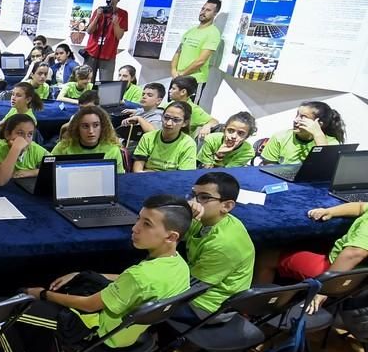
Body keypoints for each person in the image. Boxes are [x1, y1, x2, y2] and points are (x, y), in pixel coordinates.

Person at [0, 195, 192, 352]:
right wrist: (81, 273)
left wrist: (41, 294)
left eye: (147, 224)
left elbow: (89, 304)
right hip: (131, 332)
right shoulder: (179, 266)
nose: (135, 228)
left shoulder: (140, 276)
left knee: (3, 309)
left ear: (171, 236)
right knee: (84, 279)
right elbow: (129, 282)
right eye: (138, 219)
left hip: (96, 333)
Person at [268, 200, 368, 312]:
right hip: (358, 277)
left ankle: (255, 311)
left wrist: (325, 288)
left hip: (337, 271)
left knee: (267, 257)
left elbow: (355, 253)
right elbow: (361, 207)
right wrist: (331, 211)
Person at [182, 172, 255, 321]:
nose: (194, 203)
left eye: (204, 197)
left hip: (209, 307)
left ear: (227, 206)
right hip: (198, 285)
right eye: (193, 195)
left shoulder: (224, 244)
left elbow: (189, 287)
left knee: (141, 305)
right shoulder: (206, 218)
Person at [261, 101, 345, 164]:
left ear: (319, 123)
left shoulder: (331, 142)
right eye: (297, 115)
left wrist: (318, 134)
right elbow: (268, 165)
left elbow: (326, 167)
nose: (295, 120)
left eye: (303, 117)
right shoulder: (280, 137)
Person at [51, 105, 126, 173]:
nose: (91, 131)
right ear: (77, 128)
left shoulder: (113, 149)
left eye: (96, 125)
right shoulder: (63, 146)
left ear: (102, 127)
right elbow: (49, 171)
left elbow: (119, 179)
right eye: (85, 126)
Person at [170, 0, 222, 95]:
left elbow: (201, 61)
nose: (203, 12)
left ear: (215, 14)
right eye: (203, 9)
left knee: (188, 109)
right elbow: (178, 52)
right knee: (171, 107)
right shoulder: (191, 31)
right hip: (177, 78)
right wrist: (173, 70)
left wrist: (182, 74)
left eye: (208, 10)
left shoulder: (213, 33)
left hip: (194, 80)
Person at [132, 101, 197, 172]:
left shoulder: (188, 144)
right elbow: (137, 171)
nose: (168, 123)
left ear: (185, 123)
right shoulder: (148, 137)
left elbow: (183, 176)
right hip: (146, 179)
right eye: (166, 117)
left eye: (176, 120)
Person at [0, 114, 49, 187]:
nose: (25, 139)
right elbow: (0, 180)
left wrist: (31, 172)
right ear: (7, 134)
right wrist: (16, 149)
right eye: (20, 133)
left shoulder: (35, 148)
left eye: (30, 134)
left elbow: (55, 168)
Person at [84, 0, 128, 82]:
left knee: (105, 84)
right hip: (92, 52)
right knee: (86, 82)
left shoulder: (123, 14)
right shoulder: (99, 11)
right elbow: (89, 31)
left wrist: (115, 23)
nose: (112, 1)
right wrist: (97, 17)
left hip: (109, 55)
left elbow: (119, 36)